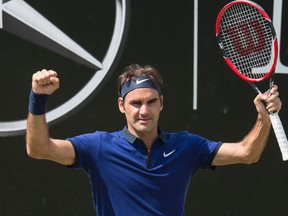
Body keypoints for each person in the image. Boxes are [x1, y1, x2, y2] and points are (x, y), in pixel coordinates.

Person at [26, 64, 282, 216]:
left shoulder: (186, 146)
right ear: (121, 106)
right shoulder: (98, 147)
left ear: (161, 103)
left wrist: (263, 117)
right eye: (135, 103)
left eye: (151, 102)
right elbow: (38, 149)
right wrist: (38, 97)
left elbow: (248, 153)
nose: (144, 111)